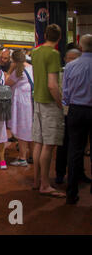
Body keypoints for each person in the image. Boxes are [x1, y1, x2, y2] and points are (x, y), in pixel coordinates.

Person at [31, 24, 65, 198]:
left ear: (45, 35)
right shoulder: (53, 54)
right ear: (59, 38)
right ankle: (45, 184)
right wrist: (60, 103)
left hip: (36, 100)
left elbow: (37, 78)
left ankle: (37, 181)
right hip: (49, 103)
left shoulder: (35, 52)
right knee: (48, 144)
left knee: (38, 141)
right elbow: (52, 84)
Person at [63, 35, 92, 204]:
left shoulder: (71, 67)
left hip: (76, 110)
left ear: (80, 48)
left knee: (74, 151)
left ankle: (71, 191)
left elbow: (65, 93)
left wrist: (69, 102)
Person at [56, 48, 90, 184]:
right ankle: (60, 173)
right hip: (66, 112)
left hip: (75, 110)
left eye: (74, 58)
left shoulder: (79, 71)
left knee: (77, 146)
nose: (70, 61)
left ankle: (78, 173)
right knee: (64, 145)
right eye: (69, 58)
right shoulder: (61, 74)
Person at [6, 50, 33, 167]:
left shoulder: (17, 71)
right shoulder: (32, 68)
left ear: (14, 60)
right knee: (30, 129)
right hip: (31, 101)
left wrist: (10, 69)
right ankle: (32, 155)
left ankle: (22, 158)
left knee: (22, 130)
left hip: (21, 103)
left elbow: (7, 83)